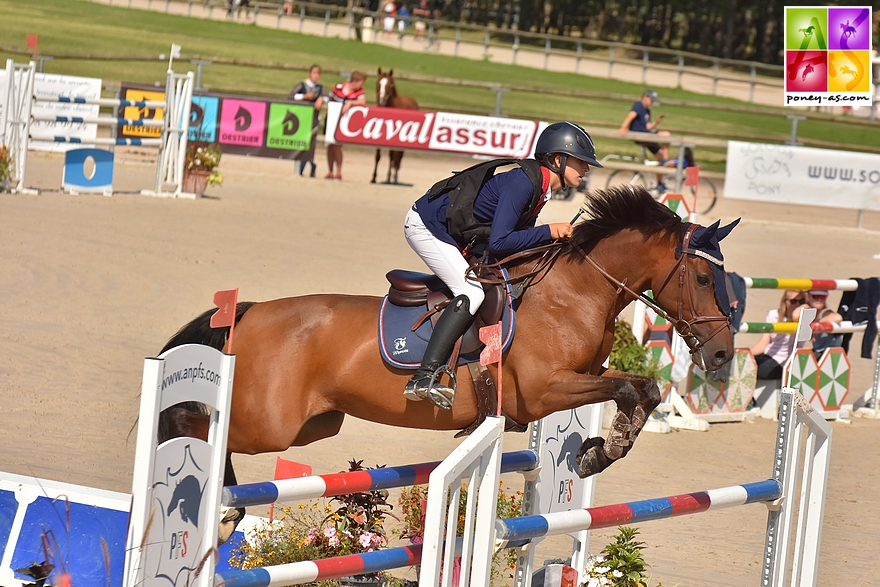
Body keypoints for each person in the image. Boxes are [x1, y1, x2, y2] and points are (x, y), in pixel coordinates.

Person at [401, 121, 602, 405]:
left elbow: (515, 241)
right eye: (582, 162)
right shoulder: (523, 183)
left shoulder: (541, 187)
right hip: (426, 226)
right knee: (471, 292)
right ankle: (424, 376)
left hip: (461, 232)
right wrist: (549, 231)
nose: (587, 169)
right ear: (558, 160)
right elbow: (500, 242)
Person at [618, 89, 672, 189]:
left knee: (660, 156)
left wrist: (656, 123)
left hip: (646, 134)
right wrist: (623, 127)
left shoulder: (647, 111)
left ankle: (660, 182)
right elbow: (631, 116)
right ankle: (666, 161)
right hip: (640, 135)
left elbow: (647, 126)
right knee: (666, 135)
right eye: (651, 100)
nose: (652, 102)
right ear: (645, 97)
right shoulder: (639, 106)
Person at [749, 290, 808, 380]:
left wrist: (803, 306)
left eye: (801, 301)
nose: (797, 305)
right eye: (793, 301)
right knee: (742, 363)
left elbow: (796, 315)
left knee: (750, 369)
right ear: (785, 302)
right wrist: (743, 354)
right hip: (767, 356)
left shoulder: (804, 318)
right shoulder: (773, 315)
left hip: (784, 363)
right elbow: (762, 345)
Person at [325, 71, 367, 180]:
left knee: (337, 145)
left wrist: (351, 103)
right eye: (361, 83)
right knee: (330, 145)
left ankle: (338, 171)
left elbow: (362, 101)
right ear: (355, 81)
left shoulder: (359, 93)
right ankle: (330, 171)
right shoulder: (338, 87)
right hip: (332, 118)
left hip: (344, 121)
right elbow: (330, 98)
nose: (362, 85)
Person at [288, 64, 326, 178]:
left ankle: (304, 167)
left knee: (310, 144)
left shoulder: (320, 88)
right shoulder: (302, 85)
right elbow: (291, 96)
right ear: (310, 74)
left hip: (314, 118)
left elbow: (327, 96)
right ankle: (306, 165)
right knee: (303, 142)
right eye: (314, 73)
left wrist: (321, 98)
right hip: (302, 118)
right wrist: (304, 97)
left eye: (318, 74)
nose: (316, 76)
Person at [806, 289, 843, 359]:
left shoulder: (826, 313)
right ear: (808, 296)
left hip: (831, 356)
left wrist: (816, 327)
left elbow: (838, 318)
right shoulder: (811, 313)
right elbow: (795, 315)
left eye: (823, 297)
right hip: (819, 353)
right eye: (815, 296)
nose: (819, 299)